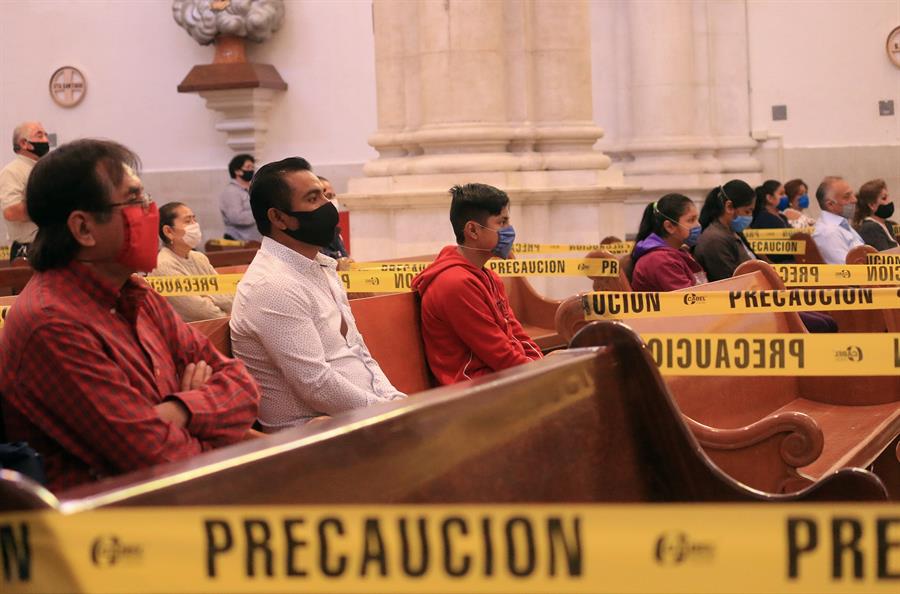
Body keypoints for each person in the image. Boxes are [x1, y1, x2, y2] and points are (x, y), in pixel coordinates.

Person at [0, 139, 260, 492]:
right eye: (136, 200)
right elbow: (158, 460)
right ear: (84, 229)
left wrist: (181, 411)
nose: (150, 211)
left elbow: (243, 387)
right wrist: (207, 416)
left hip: (187, 493)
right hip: (117, 514)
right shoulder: (52, 322)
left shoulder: (136, 293)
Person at [230, 157, 404, 431]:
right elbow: (316, 384)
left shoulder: (321, 266)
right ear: (278, 218)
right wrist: (388, 413)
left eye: (325, 195)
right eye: (313, 199)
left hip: (359, 418)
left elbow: (359, 352)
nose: (328, 206)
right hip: (310, 434)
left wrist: (394, 400)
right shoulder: (271, 285)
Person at [411, 183, 542, 385]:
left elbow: (517, 337)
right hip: (473, 388)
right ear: (472, 230)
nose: (510, 231)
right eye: (502, 222)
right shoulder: (454, 284)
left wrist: (543, 366)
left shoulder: (489, 277)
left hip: (499, 379)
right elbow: (500, 354)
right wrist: (545, 374)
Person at [150, 201, 233, 322]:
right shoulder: (163, 265)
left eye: (194, 219)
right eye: (188, 221)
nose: (195, 225)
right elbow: (202, 312)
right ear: (168, 231)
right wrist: (224, 309)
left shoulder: (199, 258)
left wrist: (209, 298)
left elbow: (230, 296)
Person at [630, 194, 707, 291]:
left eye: (696, 219)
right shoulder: (661, 260)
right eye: (691, 220)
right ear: (669, 227)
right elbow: (690, 298)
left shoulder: (678, 251)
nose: (698, 225)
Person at [0, 121, 50, 261]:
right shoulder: (12, 172)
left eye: (46, 135)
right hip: (29, 250)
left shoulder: (47, 169)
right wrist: (50, 207)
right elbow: (11, 211)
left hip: (50, 245)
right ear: (24, 143)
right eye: (39, 135)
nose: (46, 140)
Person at [694, 180, 758, 282]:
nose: (750, 216)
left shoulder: (733, 232)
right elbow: (730, 281)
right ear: (729, 207)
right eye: (747, 211)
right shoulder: (715, 240)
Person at [811, 176, 864, 264]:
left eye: (852, 194)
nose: (854, 200)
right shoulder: (828, 232)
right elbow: (847, 269)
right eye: (847, 197)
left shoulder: (841, 225)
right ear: (830, 205)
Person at [219, 153, 261, 242]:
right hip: (238, 241)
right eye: (248, 167)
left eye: (252, 167)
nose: (251, 170)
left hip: (253, 241)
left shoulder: (251, 189)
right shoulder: (231, 192)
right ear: (237, 171)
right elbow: (236, 218)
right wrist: (260, 212)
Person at [750, 179, 792, 263]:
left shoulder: (782, 217)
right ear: (769, 198)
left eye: (785, 193)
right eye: (781, 194)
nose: (785, 197)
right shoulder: (764, 218)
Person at [852, 179, 897, 251]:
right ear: (872, 205)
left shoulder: (891, 224)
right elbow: (885, 255)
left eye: (888, 197)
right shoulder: (870, 228)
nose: (889, 202)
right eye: (884, 198)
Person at [317, 176, 350, 261]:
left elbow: (345, 259)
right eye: (328, 196)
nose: (332, 201)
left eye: (333, 196)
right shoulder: (310, 236)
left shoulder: (335, 232)